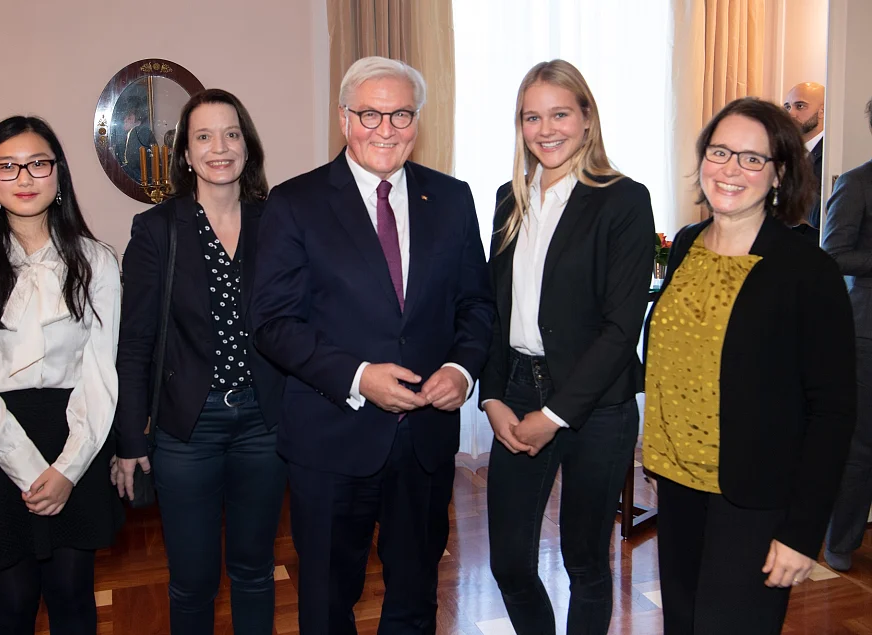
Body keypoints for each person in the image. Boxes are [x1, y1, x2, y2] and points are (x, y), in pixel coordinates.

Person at [250, 56, 494, 634]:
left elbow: (477, 305)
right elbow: (273, 322)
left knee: (415, 594)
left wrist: (462, 369)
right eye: (369, 114)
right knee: (329, 600)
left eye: (400, 114)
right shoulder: (294, 203)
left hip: (425, 443)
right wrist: (359, 376)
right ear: (343, 118)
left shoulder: (452, 199)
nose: (385, 129)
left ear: (418, 120)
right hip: (332, 438)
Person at [643, 97, 856, 635]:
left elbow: (833, 412)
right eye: (720, 151)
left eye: (751, 158)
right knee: (684, 626)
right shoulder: (688, 244)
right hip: (678, 484)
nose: (730, 169)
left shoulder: (808, 268)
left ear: (779, 173)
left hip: (755, 497)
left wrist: (803, 533)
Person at [0, 116, 123, 635]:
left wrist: (68, 469)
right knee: (9, 608)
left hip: (73, 438)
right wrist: (31, 470)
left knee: (74, 601)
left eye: (38, 163)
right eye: (7, 166)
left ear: (58, 175)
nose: (24, 176)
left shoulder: (97, 261)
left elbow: (100, 375)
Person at [478, 60, 655, 635]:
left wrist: (554, 416)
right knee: (508, 562)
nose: (545, 128)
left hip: (596, 406)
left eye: (560, 113)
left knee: (585, 561)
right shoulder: (510, 198)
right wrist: (492, 399)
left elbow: (620, 327)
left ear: (586, 119)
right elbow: (494, 311)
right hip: (517, 392)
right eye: (533, 116)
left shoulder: (623, 200)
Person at [113, 88, 286, 635]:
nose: (220, 147)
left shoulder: (277, 222)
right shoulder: (157, 230)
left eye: (231, 134)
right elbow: (135, 342)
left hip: (265, 424)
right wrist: (130, 440)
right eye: (204, 136)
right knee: (192, 580)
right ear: (185, 155)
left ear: (247, 147)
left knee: (257, 571)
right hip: (188, 429)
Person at [820, 96, 872, 573]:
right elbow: (832, 255)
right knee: (860, 447)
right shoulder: (856, 183)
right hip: (867, 336)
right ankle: (841, 542)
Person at [784, 82, 825, 230]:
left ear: (822, 111)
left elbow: (826, 216)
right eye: (787, 107)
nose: (791, 114)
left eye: (800, 106)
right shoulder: (781, 151)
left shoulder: (834, 156)